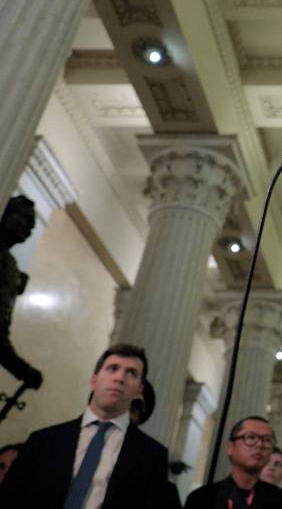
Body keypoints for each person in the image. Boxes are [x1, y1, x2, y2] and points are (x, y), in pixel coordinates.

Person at [0, 343, 170, 508]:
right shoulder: (43, 441)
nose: (119, 378)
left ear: (139, 390)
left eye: (131, 373)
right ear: (94, 381)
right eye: (112, 368)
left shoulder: (152, 456)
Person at [183, 416, 282, 509]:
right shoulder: (202, 499)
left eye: (267, 440)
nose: (260, 445)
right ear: (230, 447)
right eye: (251, 437)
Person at [0, 195, 43, 389]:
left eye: (32, 226)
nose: (28, 228)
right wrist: (22, 369)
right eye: (24, 218)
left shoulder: (10, 266)